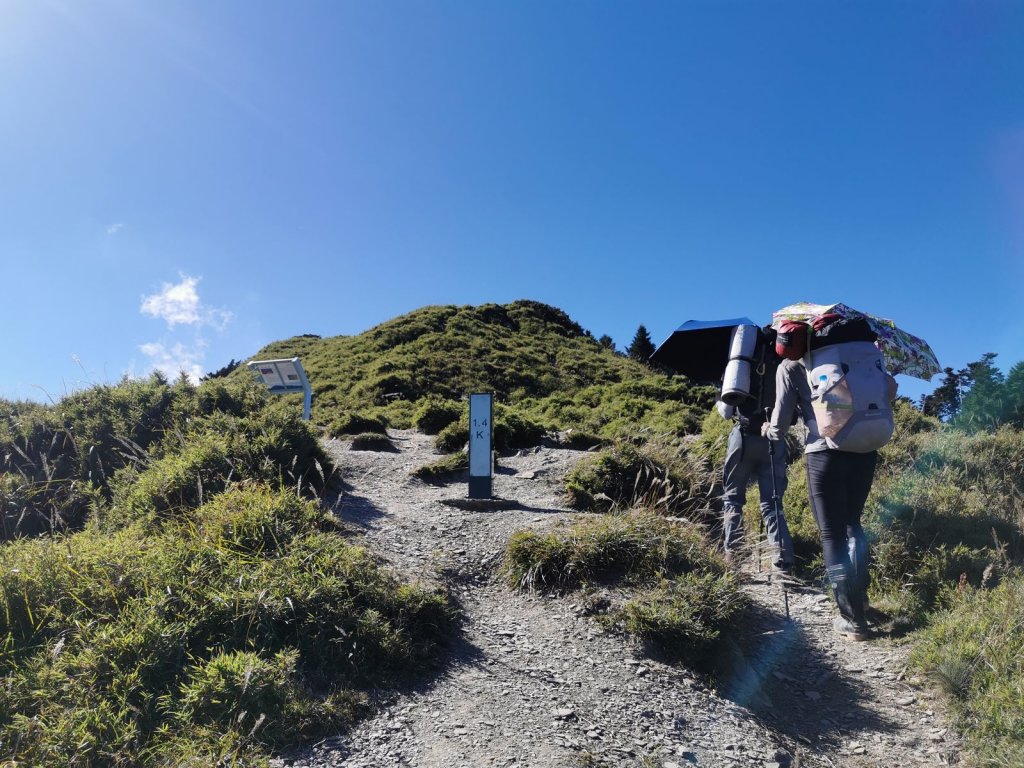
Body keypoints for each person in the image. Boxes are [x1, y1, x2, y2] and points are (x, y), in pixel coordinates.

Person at [766, 319, 885, 641]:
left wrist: (770, 432)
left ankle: (852, 618)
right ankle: (860, 601)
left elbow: (780, 421)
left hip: (823, 453)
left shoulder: (793, 366)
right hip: (865, 448)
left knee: (831, 534)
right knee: (853, 526)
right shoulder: (859, 356)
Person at [718, 326, 794, 576]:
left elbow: (727, 411)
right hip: (774, 438)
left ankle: (733, 558)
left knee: (733, 498)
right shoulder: (786, 363)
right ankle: (782, 559)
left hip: (743, 437)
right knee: (773, 502)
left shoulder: (740, 364)